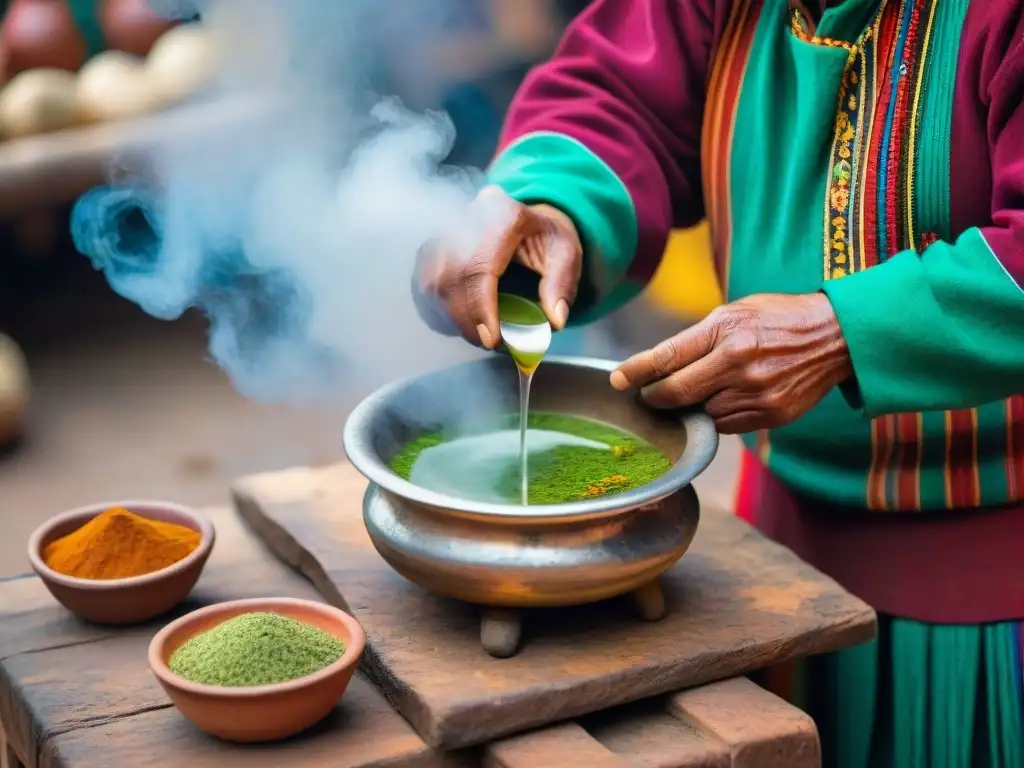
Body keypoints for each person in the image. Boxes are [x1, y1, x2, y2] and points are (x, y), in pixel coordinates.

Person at [411, 0, 1024, 765]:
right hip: (770, 557)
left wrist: (843, 330)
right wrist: (552, 207)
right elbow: (618, 91)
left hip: (993, 596)